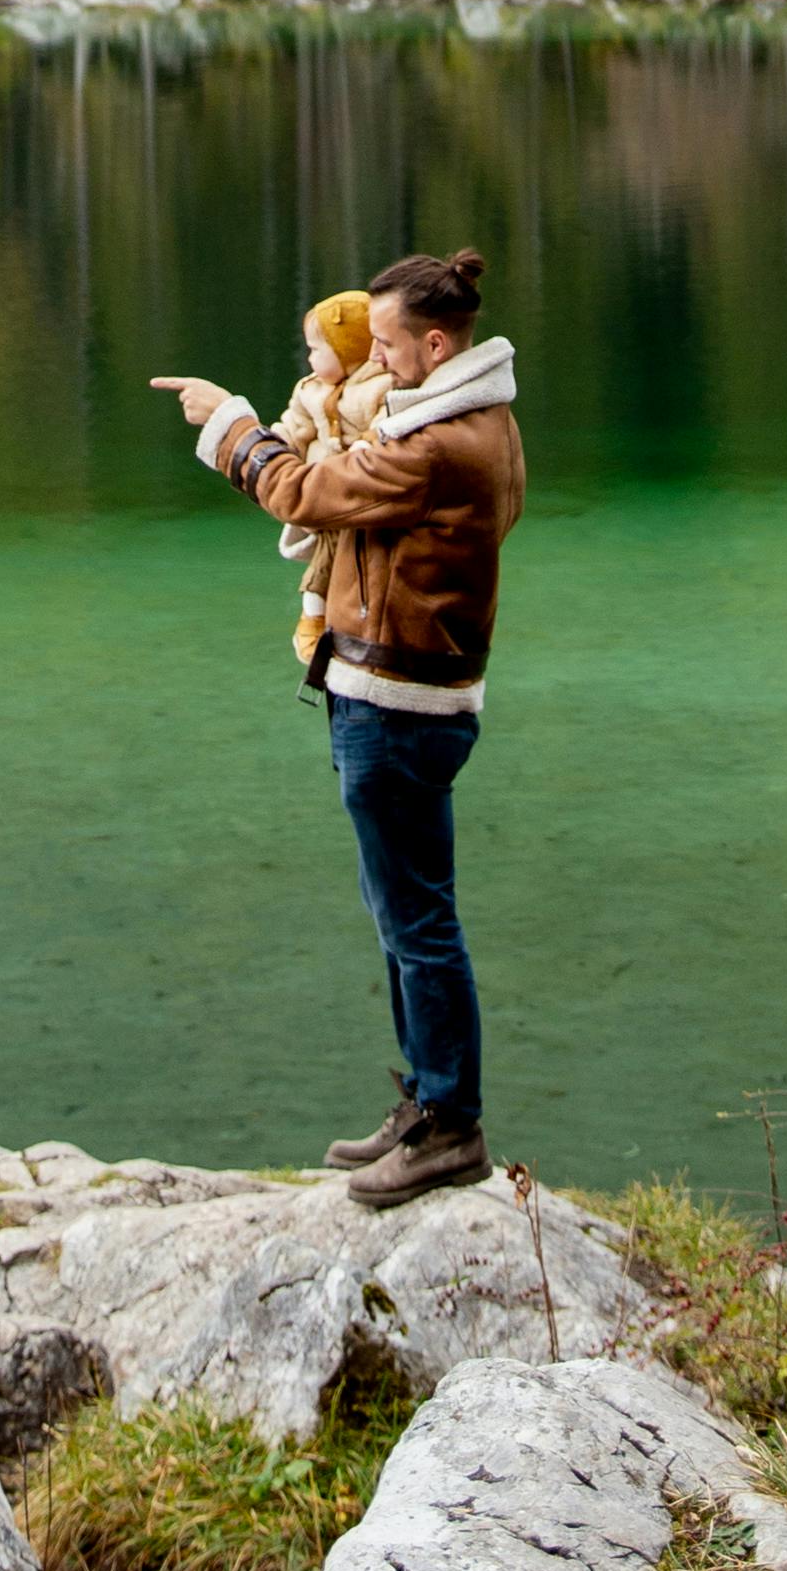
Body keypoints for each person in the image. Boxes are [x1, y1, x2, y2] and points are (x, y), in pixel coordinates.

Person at [153, 245, 521, 1202]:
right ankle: (427, 1103)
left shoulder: (436, 446)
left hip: (399, 708)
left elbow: (303, 493)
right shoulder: (472, 417)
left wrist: (233, 424)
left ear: (435, 343)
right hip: (405, 697)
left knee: (419, 920)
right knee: (400, 912)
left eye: (390, 346)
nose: (376, 361)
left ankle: (451, 1125)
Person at [275, 292, 391, 673]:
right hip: (321, 491)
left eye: (316, 349)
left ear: (348, 349)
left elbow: (386, 421)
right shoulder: (309, 390)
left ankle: (317, 621)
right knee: (329, 553)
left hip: (354, 494)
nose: (310, 358)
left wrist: (367, 443)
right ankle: (318, 622)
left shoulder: (379, 386)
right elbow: (295, 427)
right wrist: (274, 446)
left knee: (333, 560)